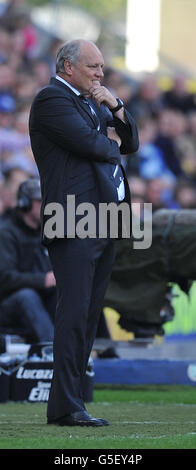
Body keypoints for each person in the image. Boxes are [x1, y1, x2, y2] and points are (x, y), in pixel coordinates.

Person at [29, 39, 139, 427]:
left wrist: (117, 106)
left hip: (102, 219)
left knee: (89, 315)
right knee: (74, 313)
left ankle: (68, 404)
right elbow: (94, 145)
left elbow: (130, 143)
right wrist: (108, 141)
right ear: (66, 66)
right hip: (71, 218)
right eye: (92, 66)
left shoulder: (94, 101)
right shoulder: (51, 99)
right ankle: (66, 406)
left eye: (102, 68)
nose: (100, 74)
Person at [0, 178, 56, 342]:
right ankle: (52, 350)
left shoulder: (48, 232)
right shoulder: (6, 233)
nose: (46, 206)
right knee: (27, 296)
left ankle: (92, 349)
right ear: (24, 203)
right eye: (40, 200)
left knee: (70, 291)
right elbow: (4, 279)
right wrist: (43, 280)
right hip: (8, 304)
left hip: (41, 300)